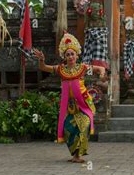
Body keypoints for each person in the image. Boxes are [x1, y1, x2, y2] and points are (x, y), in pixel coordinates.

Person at [33, 33, 106, 163]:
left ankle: (79, 155)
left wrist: (101, 74)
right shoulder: (61, 69)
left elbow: (100, 68)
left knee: (83, 126)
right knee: (68, 128)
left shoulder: (83, 68)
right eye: (68, 54)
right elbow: (43, 68)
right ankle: (75, 154)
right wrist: (41, 60)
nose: (70, 56)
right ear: (64, 57)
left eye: (72, 54)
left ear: (77, 55)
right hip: (70, 106)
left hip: (84, 104)